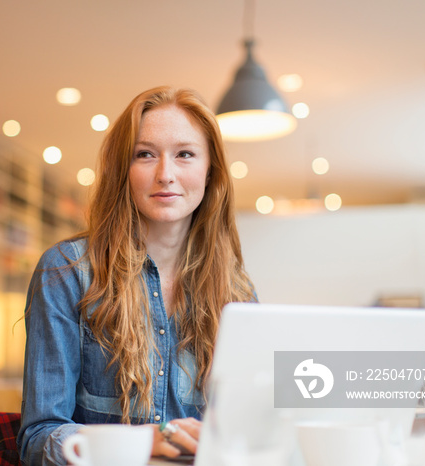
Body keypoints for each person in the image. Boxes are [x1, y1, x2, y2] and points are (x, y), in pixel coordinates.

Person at [17, 86, 257, 466]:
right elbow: (39, 439)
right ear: (122, 170)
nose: (166, 174)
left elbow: (251, 429)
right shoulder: (67, 271)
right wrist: (148, 440)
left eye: (185, 155)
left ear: (210, 172)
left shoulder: (238, 293)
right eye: (145, 155)